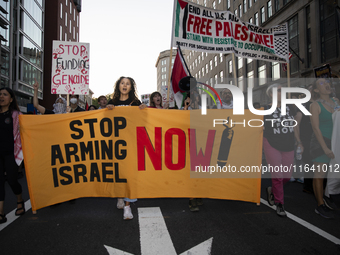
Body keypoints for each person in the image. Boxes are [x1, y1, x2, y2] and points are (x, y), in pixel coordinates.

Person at [107, 76, 146, 220]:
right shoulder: (112, 102)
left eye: (128, 84)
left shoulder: (136, 102)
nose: (125, 85)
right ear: (118, 86)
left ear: (131, 87)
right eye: (122, 83)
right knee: (118, 173)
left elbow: (143, 120)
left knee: (130, 174)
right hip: (116, 144)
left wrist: (143, 109)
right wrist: (107, 109)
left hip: (131, 143)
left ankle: (128, 207)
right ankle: (119, 197)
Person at [264, 84, 300, 217]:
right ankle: (280, 204)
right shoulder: (266, 109)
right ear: (271, 94)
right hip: (271, 143)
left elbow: (295, 125)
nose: (282, 92)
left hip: (289, 144)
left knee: (287, 176)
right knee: (278, 176)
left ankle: (271, 190)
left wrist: (299, 141)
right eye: (279, 90)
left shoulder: (290, 107)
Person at [310, 78, 339, 218]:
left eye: (327, 82)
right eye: (321, 83)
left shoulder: (337, 101)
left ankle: (329, 198)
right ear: (316, 90)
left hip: (336, 142)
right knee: (320, 174)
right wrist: (325, 149)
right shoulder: (315, 105)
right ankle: (320, 205)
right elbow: (315, 128)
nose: (326, 84)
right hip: (321, 143)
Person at [0, 87, 25, 223]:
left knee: (12, 180)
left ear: (10, 99)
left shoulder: (16, 115)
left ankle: (19, 200)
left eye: (4, 94)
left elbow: (26, 131)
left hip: (12, 154)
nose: (1, 97)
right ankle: (1, 212)